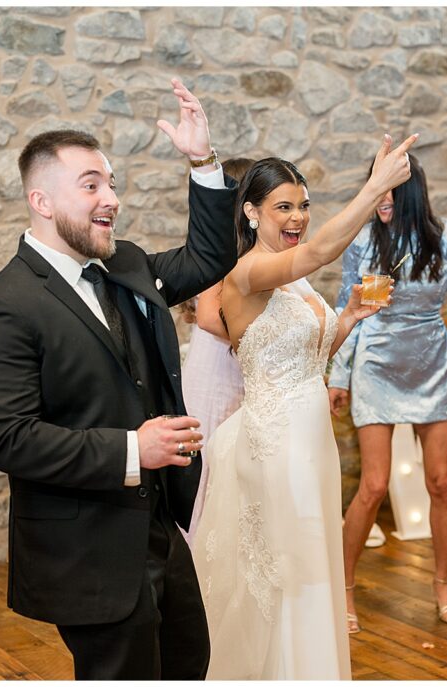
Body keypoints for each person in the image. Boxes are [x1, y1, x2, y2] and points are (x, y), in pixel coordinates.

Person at [0, 80, 237, 680]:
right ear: (42, 200)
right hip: (87, 548)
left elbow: (211, 258)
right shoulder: (3, 306)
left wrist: (202, 161)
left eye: (112, 183)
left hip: (160, 528)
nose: (111, 198)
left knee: (189, 665)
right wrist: (136, 449)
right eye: (92, 186)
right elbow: (9, 439)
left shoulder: (126, 266)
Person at [192, 133, 418, 679]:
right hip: (277, 446)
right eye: (283, 207)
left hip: (309, 442)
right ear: (250, 212)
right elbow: (317, 251)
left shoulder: (295, 283)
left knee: (311, 567)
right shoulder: (244, 273)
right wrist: (376, 187)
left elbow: (305, 360)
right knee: (286, 576)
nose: (297, 217)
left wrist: (345, 320)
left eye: (303, 206)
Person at [327, 154, 447, 632]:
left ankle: (441, 581)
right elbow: (348, 308)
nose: (383, 197)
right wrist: (338, 373)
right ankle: (345, 589)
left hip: (431, 365)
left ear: (410, 189)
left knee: (440, 482)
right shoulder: (366, 239)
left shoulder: (446, 235)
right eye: (377, 184)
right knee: (373, 485)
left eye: (391, 186)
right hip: (376, 363)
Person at [180, 157, 254, 546]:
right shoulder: (220, 248)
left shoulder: (256, 252)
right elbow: (209, 316)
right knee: (210, 473)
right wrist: (263, 344)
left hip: (239, 372)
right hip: (215, 375)